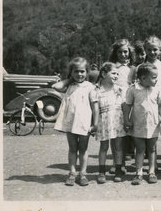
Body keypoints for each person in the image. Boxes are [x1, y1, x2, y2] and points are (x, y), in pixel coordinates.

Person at [52, 57, 97, 186]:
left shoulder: (90, 87)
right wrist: (70, 79)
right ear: (71, 73)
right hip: (71, 122)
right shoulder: (69, 86)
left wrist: (95, 124)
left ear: (87, 72)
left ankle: (83, 174)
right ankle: (72, 173)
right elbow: (55, 86)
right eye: (76, 71)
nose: (79, 74)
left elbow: (95, 107)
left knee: (83, 149)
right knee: (72, 148)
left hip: (84, 123)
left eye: (82, 71)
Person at [123, 63, 161, 185]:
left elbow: (160, 106)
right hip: (138, 124)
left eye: (156, 77)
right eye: (153, 77)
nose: (156, 80)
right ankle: (139, 172)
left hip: (153, 124)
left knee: (152, 149)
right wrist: (126, 120)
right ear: (143, 78)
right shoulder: (133, 89)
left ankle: (151, 172)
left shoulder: (157, 90)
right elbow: (127, 106)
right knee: (140, 149)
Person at [91, 62, 126, 184]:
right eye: (113, 73)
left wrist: (126, 121)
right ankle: (101, 171)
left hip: (117, 122)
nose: (116, 76)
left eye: (118, 74)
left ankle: (118, 170)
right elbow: (95, 109)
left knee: (118, 147)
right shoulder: (96, 90)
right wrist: (94, 124)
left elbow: (124, 106)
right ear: (104, 73)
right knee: (104, 147)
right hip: (103, 123)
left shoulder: (119, 90)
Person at [108, 39, 135, 173]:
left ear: (129, 53)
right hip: (115, 102)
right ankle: (116, 162)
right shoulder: (112, 67)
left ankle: (123, 160)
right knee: (115, 134)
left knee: (126, 134)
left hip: (129, 102)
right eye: (120, 52)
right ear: (115, 53)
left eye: (125, 52)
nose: (123, 55)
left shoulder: (133, 68)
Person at [144, 36, 161, 161]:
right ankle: (151, 159)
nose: (152, 52)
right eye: (149, 50)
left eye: (155, 49)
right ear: (145, 50)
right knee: (150, 130)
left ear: (160, 50)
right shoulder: (143, 66)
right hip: (148, 100)